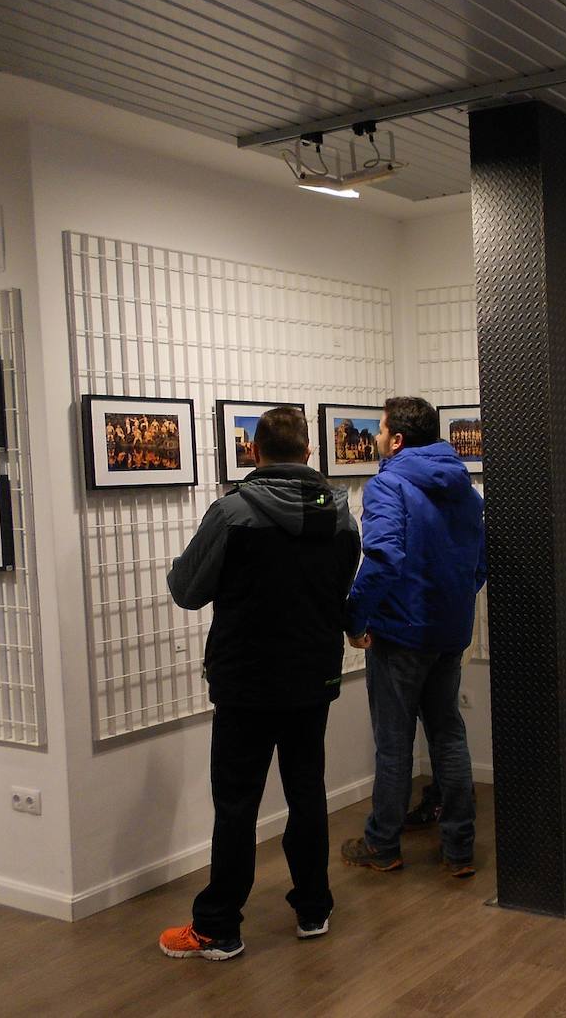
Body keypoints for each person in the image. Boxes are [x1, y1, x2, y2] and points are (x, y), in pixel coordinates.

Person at [158, 407, 361, 961]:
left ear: (254, 452)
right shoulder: (342, 517)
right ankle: (314, 909)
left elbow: (186, 590)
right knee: (306, 792)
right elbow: (339, 589)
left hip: (246, 681)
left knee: (238, 803)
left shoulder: (232, 514)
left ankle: (218, 927)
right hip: (312, 678)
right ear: (309, 454)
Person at [342, 396, 487, 876]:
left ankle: (383, 845)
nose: (377, 437)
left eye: (381, 430)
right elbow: (479, 563)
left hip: (400, 634)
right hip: (449, 633)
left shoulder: (387, 486)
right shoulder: (465, 490)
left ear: (397, 439)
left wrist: (356, 618)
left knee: (394, 743)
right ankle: (459, 849)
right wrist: (453, 603)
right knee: (448, 735)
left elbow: (382, 559)